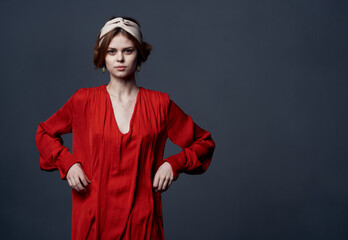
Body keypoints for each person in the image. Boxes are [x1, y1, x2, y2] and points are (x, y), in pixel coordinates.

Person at [35, 16, 215, 240]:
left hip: (143, 223)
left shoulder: (160, 104)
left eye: (128, 51)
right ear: (103, 56)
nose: (120, 58)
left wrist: (173, 164)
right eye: (112, 51)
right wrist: (68, 164)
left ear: (139, 54)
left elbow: (204, 142)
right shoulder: (83, 101)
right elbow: (44, 133)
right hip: (93, 221)